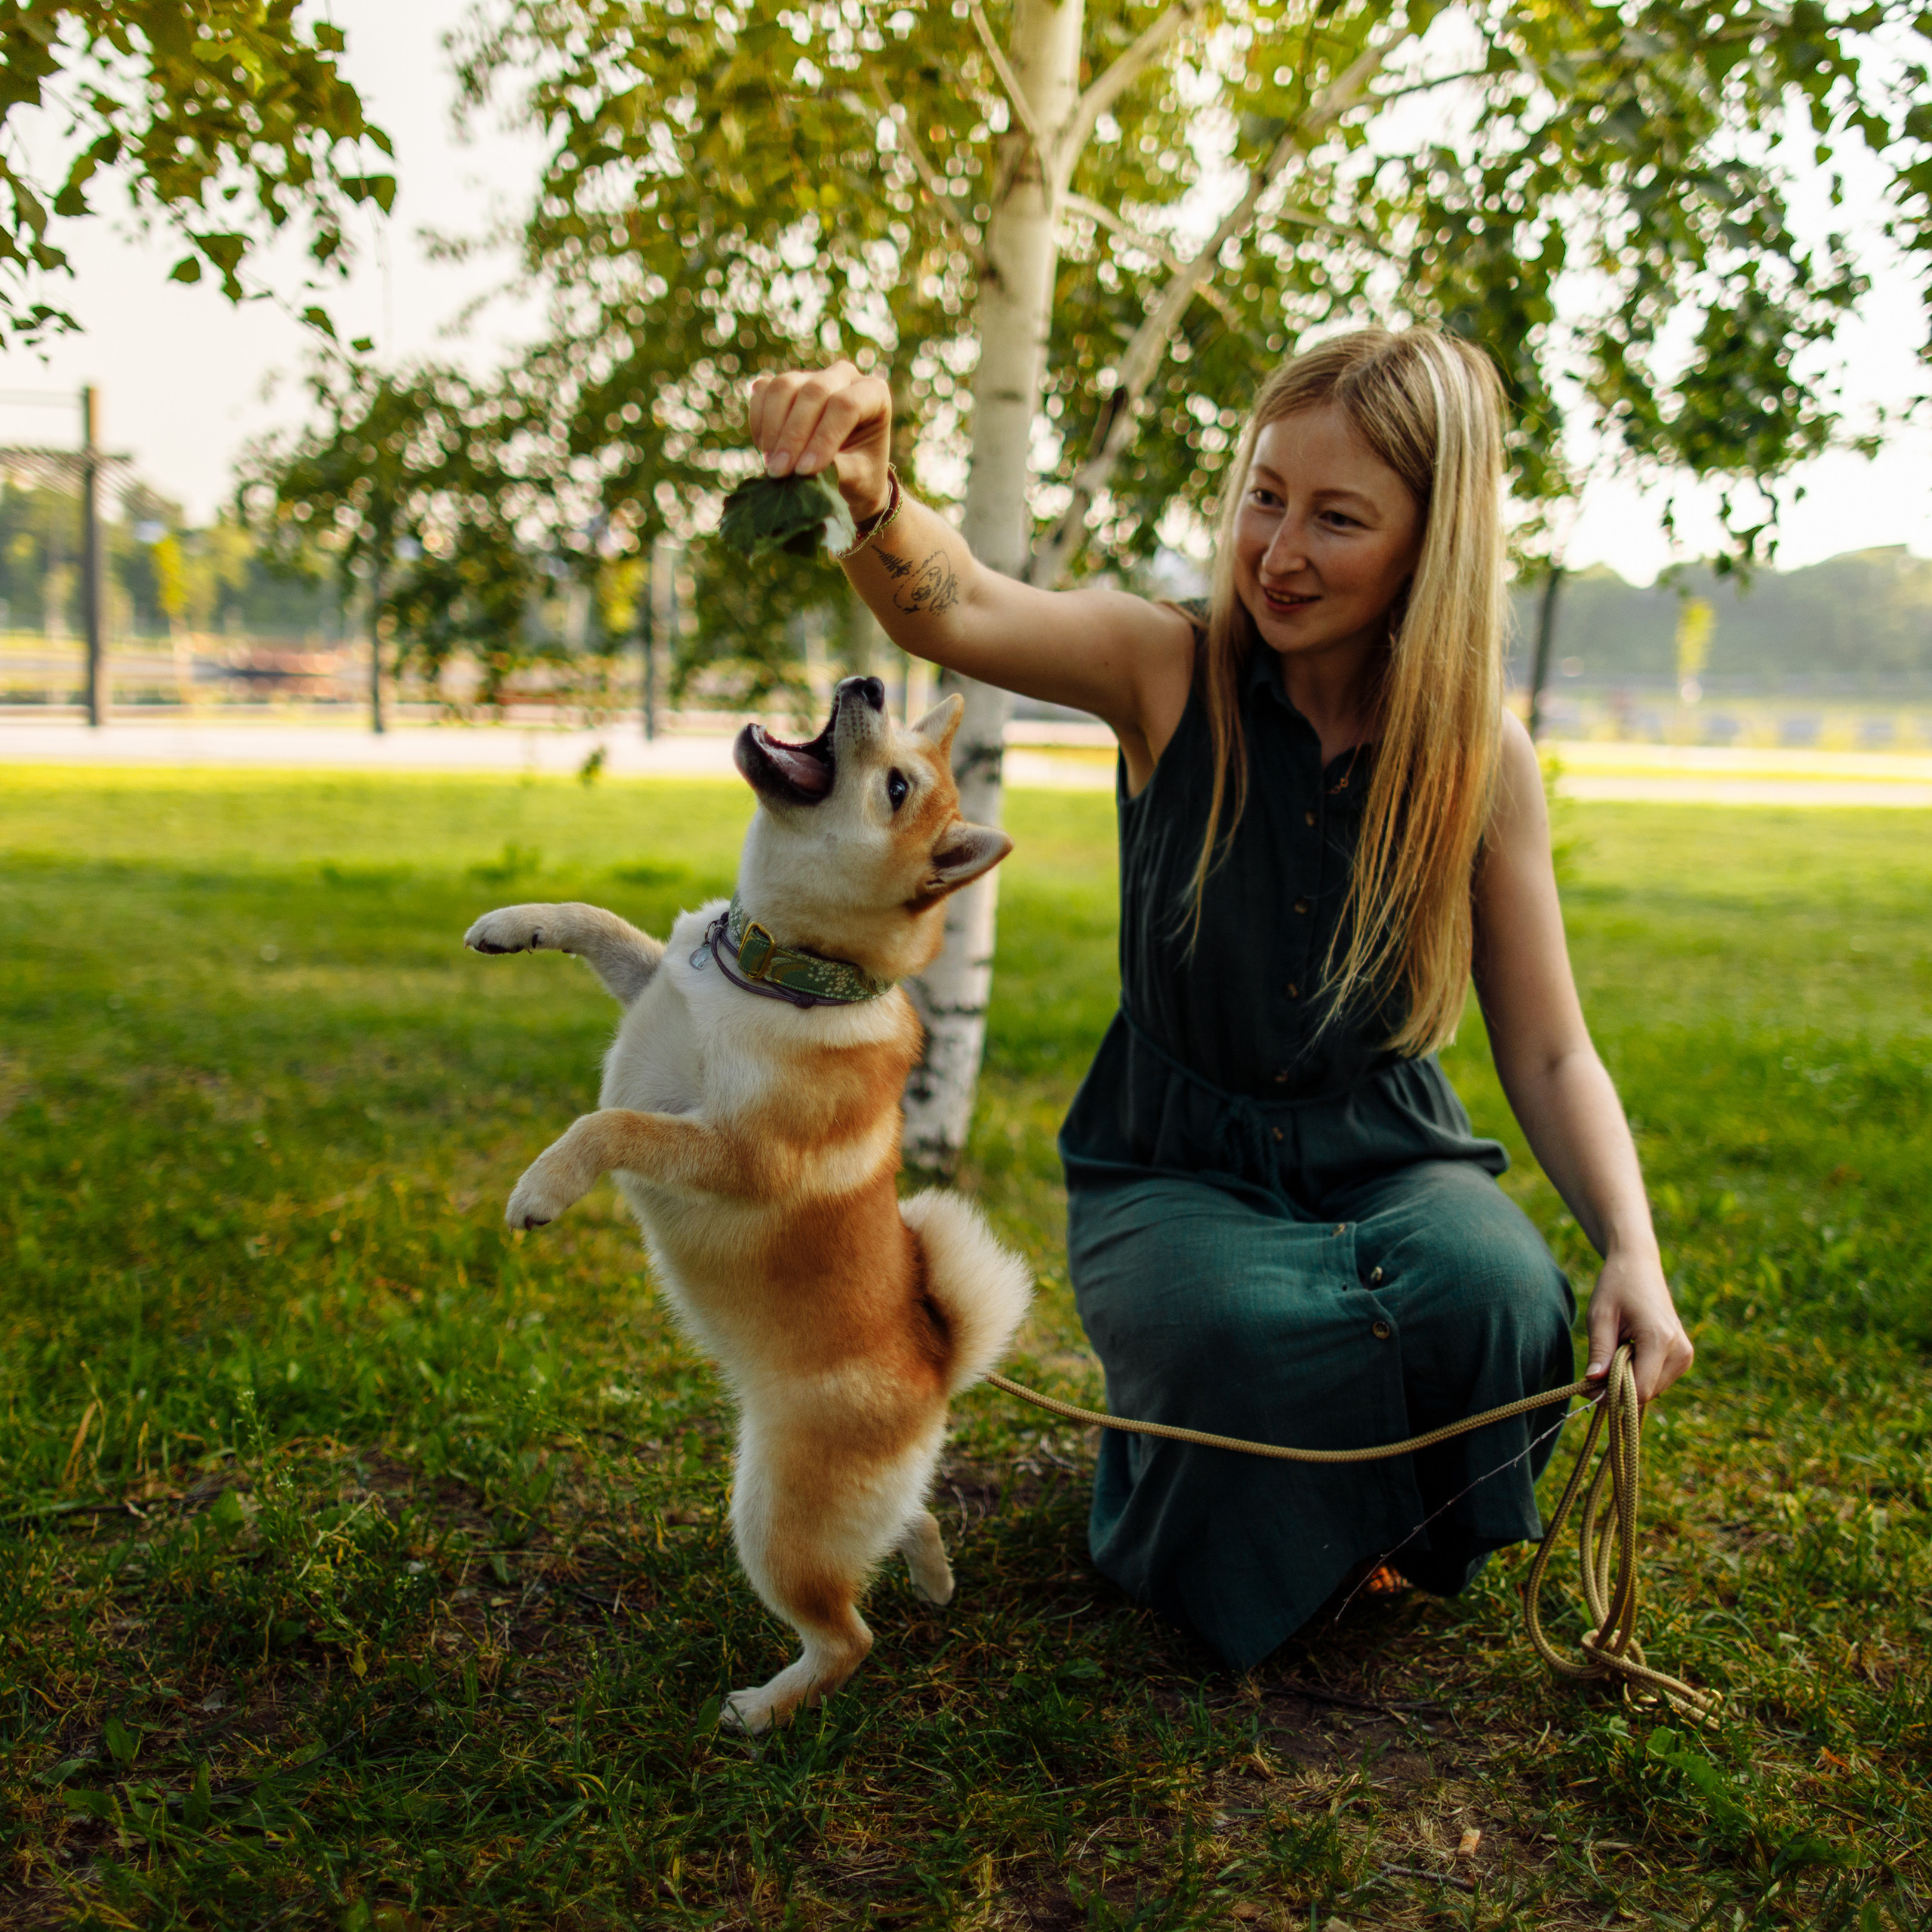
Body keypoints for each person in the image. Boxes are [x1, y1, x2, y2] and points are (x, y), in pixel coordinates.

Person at [746, 329, 1694, 1669]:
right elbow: (952, 607)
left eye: (1339, 518)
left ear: (1431, 545)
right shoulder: (1166, 668)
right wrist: (871, 489)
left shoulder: (1483, 754)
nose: (1279, 550)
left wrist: (1633, 1254)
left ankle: (1369, 1528)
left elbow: (1547, 1053)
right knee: (1236, 1336)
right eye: (1265, 496)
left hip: (1390, 1151)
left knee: (1500, 1300)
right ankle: (1214, 1516)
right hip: (1175, 1158)